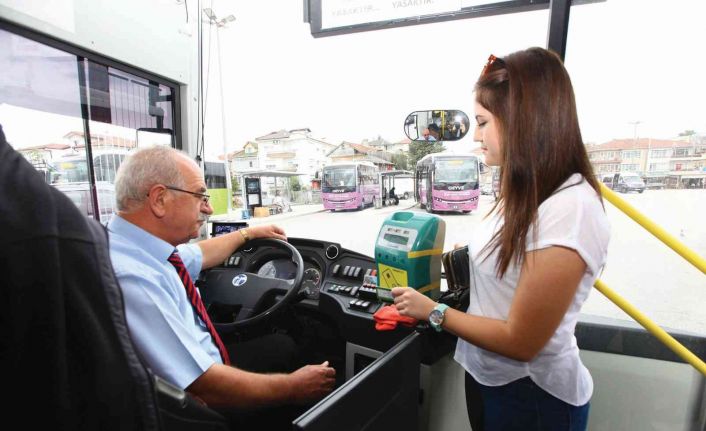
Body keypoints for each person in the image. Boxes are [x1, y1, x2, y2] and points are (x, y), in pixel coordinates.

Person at [391, 47, 610, 431]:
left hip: (533, 396)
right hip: (486, 375)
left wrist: (434, 312)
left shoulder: (571, 208)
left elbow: (521, 340)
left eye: (483, 122)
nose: (476, 136)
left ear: (523, 121)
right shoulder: (525, 190)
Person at [106, 146, 336, 427]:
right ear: (159, 199)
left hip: (201, 368)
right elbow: (203, 385)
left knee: (279, 345)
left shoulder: (140, 248)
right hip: (199, 402)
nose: (209, 208)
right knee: (291, 349)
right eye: (200, 196)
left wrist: (248, 233)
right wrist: (293, 387)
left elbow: (201, 254)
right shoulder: (135, 278)